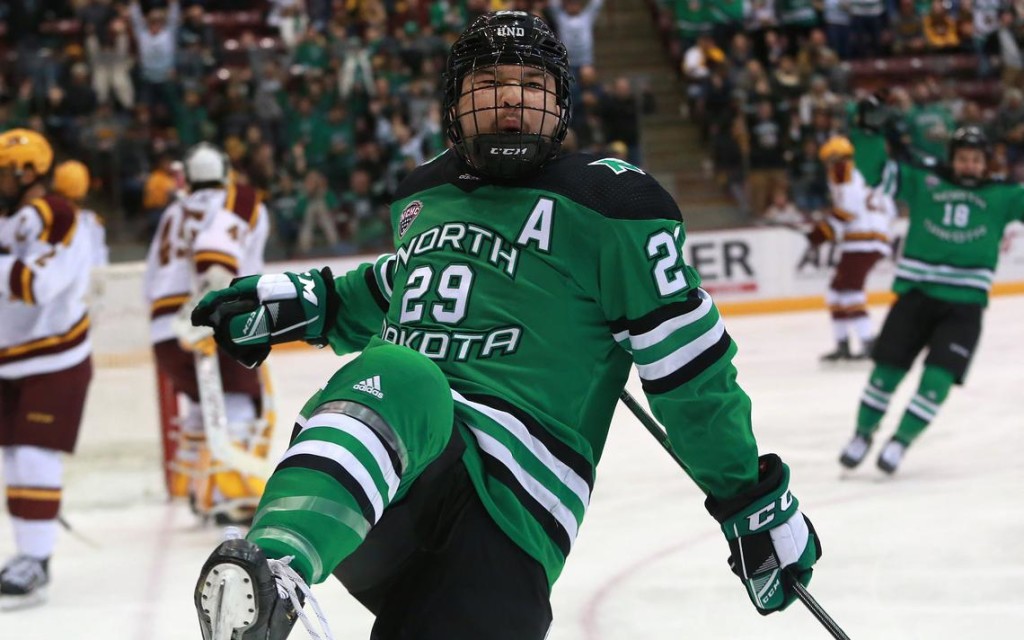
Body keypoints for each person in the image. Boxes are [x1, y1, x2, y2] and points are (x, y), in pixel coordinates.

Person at [189, 13, 821, 640]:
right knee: (398, 376)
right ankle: (272, 580)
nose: (512, 97)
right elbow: (395, 287)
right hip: (394, 482)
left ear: (561, 104)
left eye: (532, 83)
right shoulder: (422, 198)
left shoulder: (613, 206)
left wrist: (749, 500)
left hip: (512, 513)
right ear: (453, 105)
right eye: (489, 82)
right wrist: (311, 302)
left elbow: (690, 371)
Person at [839, 115, 1024, 474]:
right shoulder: (925, 182)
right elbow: (874, 170)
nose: (968, 164)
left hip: (965, 307)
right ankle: (863, 434)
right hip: (916, 297)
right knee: (885, 374)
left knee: (937, 381)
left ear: (986, 163)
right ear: (952, 158)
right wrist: (868, 133)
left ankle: (900, 441)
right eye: (963, 157)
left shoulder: (1005, 195)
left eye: (975, 159)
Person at [142, 142, 271, 522]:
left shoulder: (172, 213)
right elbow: (214, 259)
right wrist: (200, 313)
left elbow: (149, 281)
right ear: (226, 172)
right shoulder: (240, 199)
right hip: (209, 318)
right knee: (242, 402)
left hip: (164, 331)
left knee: (203, 405)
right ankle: (233, 495)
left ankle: (200, 491)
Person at [0, 130, 95, 609]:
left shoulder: (57, 215)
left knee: (35, 455)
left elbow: (38, 284)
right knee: (14, 457)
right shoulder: (17, 218)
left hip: (55, 356)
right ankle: (26, 554)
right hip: (14, 358)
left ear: (27, 171)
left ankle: (37, 559)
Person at [808, 135, 898, 362]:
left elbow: (848, 208)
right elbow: (890, 211)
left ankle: (868, 343)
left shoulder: (841, 170)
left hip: (862, 241)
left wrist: (823, 232)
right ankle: (843, 344)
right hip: (869, 239)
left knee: (849, 291)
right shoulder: (861, 178)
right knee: (836, 292)